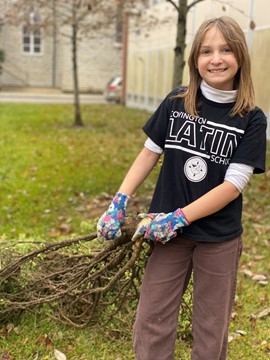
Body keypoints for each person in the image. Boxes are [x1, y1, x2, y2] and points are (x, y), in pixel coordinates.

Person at [97, 16, 267, 360]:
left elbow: (234, 185)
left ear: (240, 59)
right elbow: (148, 154)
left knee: (210, 326)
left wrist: (177, 218)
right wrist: (119, 200)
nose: (215, 58)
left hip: (218, 237)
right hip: (168, 237)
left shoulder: (251, 117)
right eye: (206, 51)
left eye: (226, 50)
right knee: (151, 318)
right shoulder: (177, 102)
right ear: (195, 59)